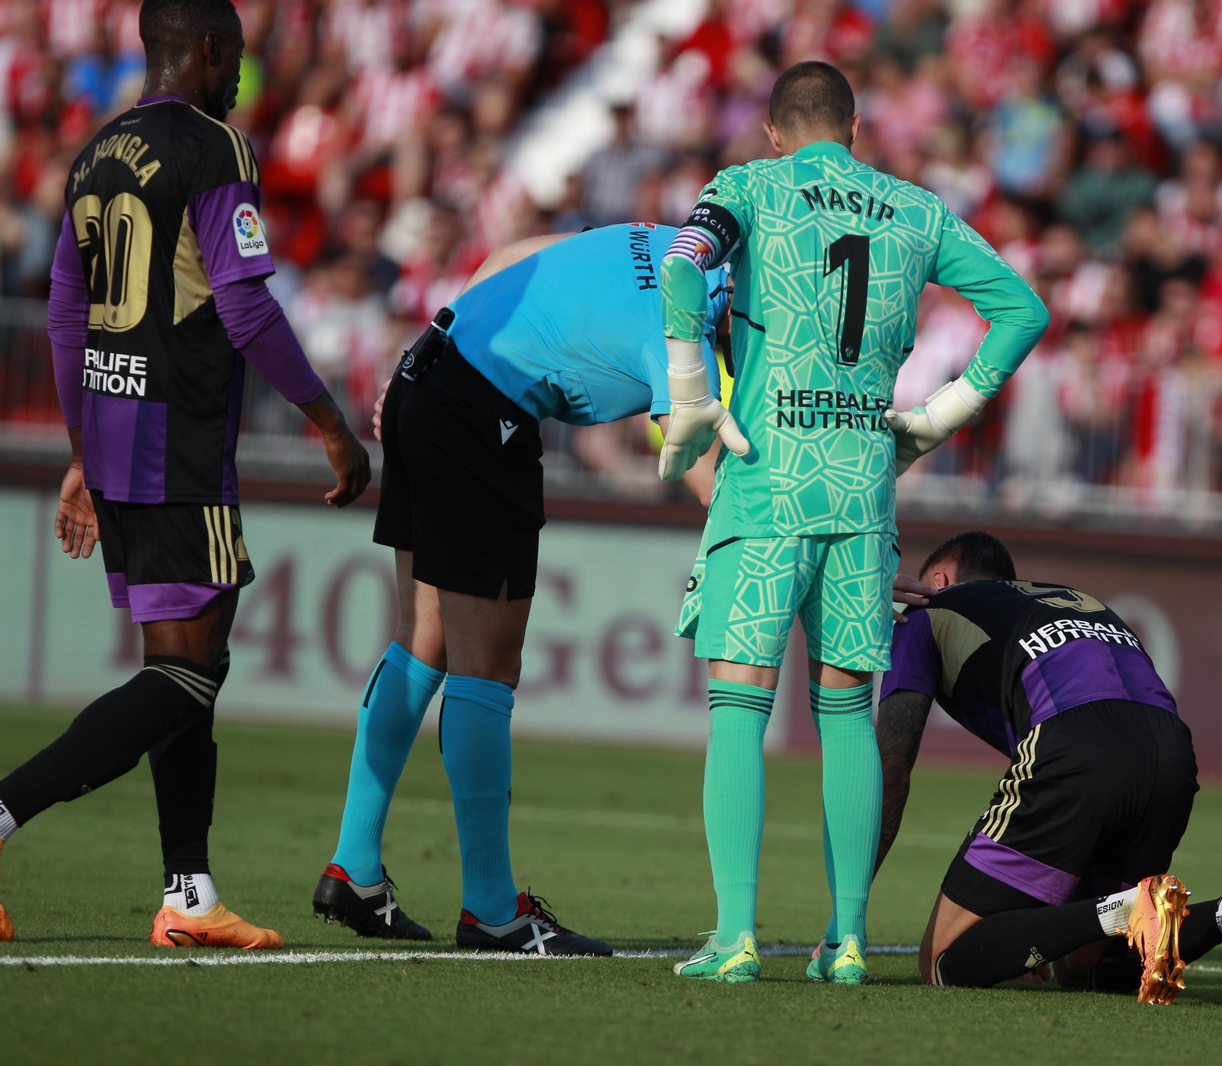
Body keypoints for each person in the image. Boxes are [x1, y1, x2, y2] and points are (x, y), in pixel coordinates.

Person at [654, 60, 1049, 983]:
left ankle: (737, 937)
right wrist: (945, 413)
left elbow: (681, 266)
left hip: (765, 481)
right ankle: (849, 940)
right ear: (856, 130)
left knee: (739, 708)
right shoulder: (913, 209)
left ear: (775, 135)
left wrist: (686, 394)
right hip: (862, 487)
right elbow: (1022, 309)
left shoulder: (747, 187)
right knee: (844, 715)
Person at [0, 0, 370, 948]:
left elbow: (63, 316)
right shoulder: (217, 147)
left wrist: (83, 450)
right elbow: (244, 310)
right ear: (205, 48)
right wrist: (329, 422)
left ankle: (190, 892)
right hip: (179, 442)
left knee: (184, 666)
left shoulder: (94, 151)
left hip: (117, 435)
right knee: (186, 677)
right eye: (237, 54)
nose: (242, 73)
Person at [312, 223, 730, 955]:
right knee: (487, 666)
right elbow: (686, 436)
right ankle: (492, 910)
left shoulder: (664, 239)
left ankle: (355, 868)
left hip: (428, 370)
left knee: (425, 639)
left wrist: (435, 347)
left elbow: (516, 254)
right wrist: (758, 538)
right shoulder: (689, 312)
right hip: (481, 412)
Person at [872, 531, 1222, 1006]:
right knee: (1084, 968)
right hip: (1170, 750)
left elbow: (891, 767)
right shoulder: (1082, 602)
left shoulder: (924, 612)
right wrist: (1026, 941)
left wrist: (848, 915)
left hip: (1075, 740)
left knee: (943, 958)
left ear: (939, 578)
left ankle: (1132, 908)